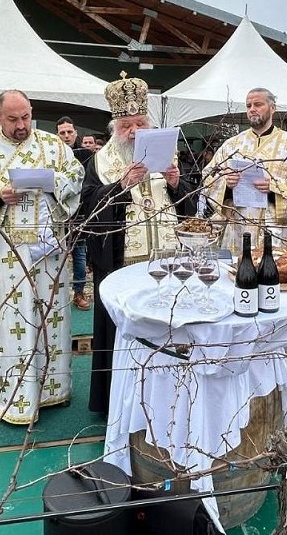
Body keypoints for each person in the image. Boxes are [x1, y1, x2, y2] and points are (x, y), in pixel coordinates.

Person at [0, 91, 84, 424]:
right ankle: (14, 398)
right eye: (12, 119)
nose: (21, 125)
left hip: (49, 255)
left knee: (51, 317)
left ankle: (52, 390)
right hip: (5, 256)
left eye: (25, 117)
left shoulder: (54, 146)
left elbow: (77, 178)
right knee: (13, 322)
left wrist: (56, 182)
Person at [81, 73, 195, 413]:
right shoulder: (100, 162)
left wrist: (177, 183)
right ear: (115, 126)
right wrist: (121, 185)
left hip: (168, 258)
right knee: (127, 333)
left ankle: (173, 393)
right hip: (123, 263)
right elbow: (88, 208)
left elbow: (189, 206)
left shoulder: (168, 152)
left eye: (140, 123)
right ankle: (123, 401)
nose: (134, 130)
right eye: (127, 124)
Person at [204, 87, 287, 249]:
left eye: (258, 104)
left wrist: (273, 187)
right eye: (248, 106)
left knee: (274, 272)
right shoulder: (232, 145)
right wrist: (226, 185)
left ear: (272, 108)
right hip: (239, 229)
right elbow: (208, 177)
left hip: (276, 232)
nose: (252, 109)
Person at [56, 116, 95, 309]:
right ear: (57, 134)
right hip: (55, 212)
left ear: (75, 133)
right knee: (54, 254)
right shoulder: (52, 154)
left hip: (79, 212)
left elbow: (90, 183)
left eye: (69, 132)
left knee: (79, 254)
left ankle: (79, 292)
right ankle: (53, 295)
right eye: (62, 132)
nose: (66, 136)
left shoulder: (87, 154)